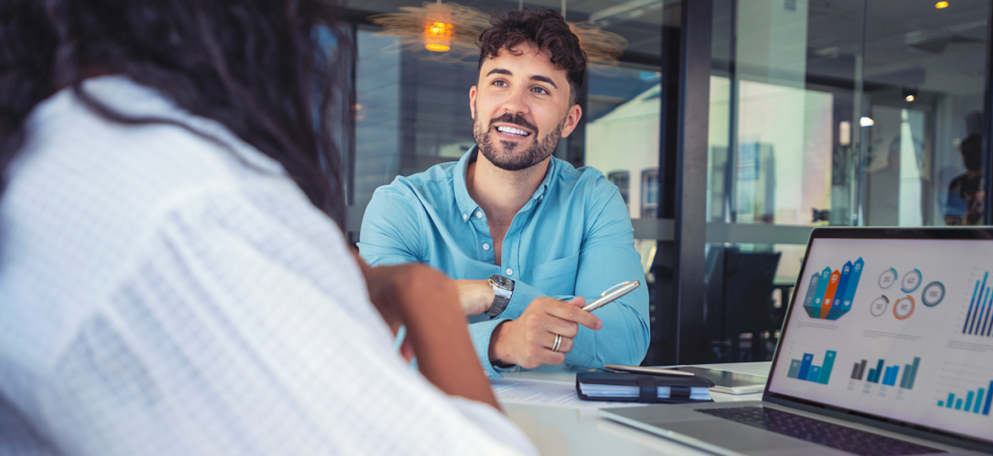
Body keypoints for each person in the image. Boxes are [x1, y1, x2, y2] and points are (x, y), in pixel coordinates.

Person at [0, 1, 535, 454]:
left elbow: (621, 330)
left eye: (539, 89)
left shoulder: (62, 148)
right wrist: (430, 295)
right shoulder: (192, 204)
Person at [358, 8, 650, 378]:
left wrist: (502, 295)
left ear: (570, 121)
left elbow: (624, 341)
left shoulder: (593, 200)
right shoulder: (402, 207)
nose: (514, 106)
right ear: (474, 102)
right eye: (500, 83)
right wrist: (501, 341)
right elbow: (374, 338)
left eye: (539, 89)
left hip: (564, 433)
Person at [944, 134, 984, 225]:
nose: (967, 157)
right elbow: (950, 218)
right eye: (964, 153)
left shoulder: (991, 180)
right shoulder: (956, 183)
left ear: (982, 153)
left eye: (972, 152)